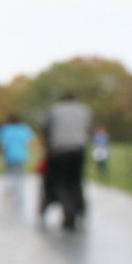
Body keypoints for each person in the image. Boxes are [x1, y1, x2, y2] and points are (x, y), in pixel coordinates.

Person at [43, 91, 92, 230]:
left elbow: (47, 129)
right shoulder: (84, 110)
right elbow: (88, 130)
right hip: (78, 150)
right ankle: (79, 210)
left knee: (63, 183)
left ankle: (68, 212)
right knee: (76, 181)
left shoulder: (55, 110)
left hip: (60, 150)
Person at [0, 113, 35, 206]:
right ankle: (18, 193)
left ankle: (10, 191)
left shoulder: (6, 129)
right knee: (20, 175)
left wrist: (0, 154)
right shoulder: (24, 128)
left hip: (9, 155)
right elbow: (30, 140)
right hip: (21, 155)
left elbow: (1, 143)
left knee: (9, 173)